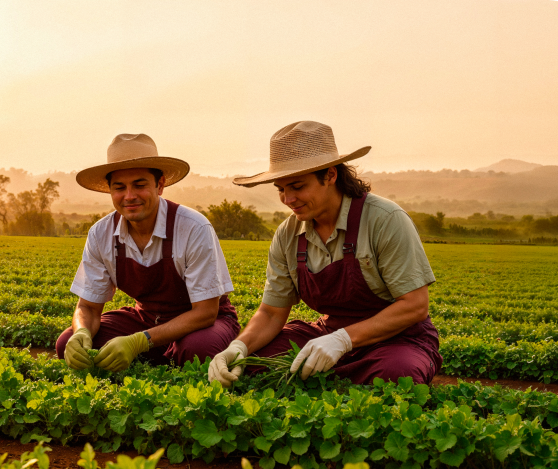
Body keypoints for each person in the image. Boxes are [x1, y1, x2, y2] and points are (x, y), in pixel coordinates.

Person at [208, 121, 442, 387]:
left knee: (397, 375)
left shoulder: (385, 219)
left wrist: (343, 340)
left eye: (297, 187)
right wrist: (238, 347)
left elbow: (415, 305)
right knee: (253, 364)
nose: (287, 199)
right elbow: (272, 313)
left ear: (330, 175)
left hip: (396, 338)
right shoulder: (288, 235)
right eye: (281, 189)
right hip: (326, 334)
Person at [57, 133, 240, 372]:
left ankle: (160, 353)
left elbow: (205, 312)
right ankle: (164, 354)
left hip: (202, 322)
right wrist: (81, 331)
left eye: (140, 185)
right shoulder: (100, 234)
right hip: (147, 319)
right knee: (67, 345)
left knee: (198, 351)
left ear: (160, 184)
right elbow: (88, 308)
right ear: (110, 191)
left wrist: (137, 342)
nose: (129, 196)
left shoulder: (193, 227)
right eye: (119, 188)